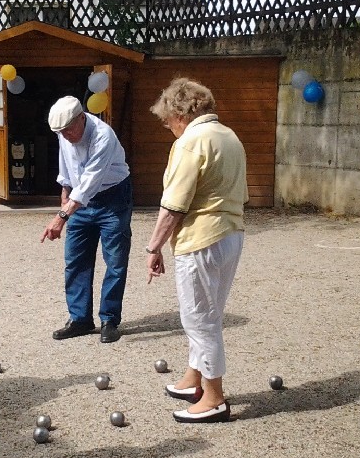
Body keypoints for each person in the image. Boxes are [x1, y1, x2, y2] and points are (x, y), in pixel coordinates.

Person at [144, 78, 248, 424]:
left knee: (199, 319)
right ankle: (194, 379)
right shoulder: (229, 136)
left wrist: (154, 246)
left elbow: (174, 204)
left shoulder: (191, 142)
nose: (166, 126)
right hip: (231, 233)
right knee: (210, 313)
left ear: (180, 113)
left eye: (166, 119)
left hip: (201, 240)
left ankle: (214, 397)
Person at [40, 96, 133, 344]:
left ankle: (109, 320)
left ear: (82, 117)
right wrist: (64, 193)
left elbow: (91, 180)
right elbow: (66, 166)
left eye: (69, 129)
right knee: (75, 260)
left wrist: (61, 217)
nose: (66, 135)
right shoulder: (64, 133)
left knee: (115, 260)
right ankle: (80, 319)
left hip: (113, 197)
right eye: (60, 132)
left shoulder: (103, 136)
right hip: (78, 201)